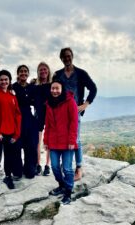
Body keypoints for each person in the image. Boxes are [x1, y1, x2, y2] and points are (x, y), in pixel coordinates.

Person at [53, 47, 97, 181]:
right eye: (64, 56)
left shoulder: (81, 73)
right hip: (60, 111)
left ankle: (78, 167)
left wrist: (85, 105)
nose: (67, 58)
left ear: (72, 56)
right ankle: (66, 165)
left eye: (68, 56)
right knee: (64, 138)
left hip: (74, 110)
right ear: (61, 58)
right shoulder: (58, 74)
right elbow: (52, 89)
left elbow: (93, 88)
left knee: (75, 139)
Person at [44, 80, 78, 205]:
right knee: (54, 167)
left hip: (67, 141)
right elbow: (47, 124)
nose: (54, 91)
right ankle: (62, 185)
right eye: (53, 88)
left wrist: (72, 140)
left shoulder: (70, 101)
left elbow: (74, 123)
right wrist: (46, 140)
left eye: (57, 88)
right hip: (53, 141)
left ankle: (68, 192)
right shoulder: (48, 103)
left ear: (62, 89)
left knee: (68, 169)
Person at [0, 70, 22, 190]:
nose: (4, 81)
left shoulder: (11, 95)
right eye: (1, 79)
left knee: (10, 156)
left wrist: (16, 134)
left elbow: (17, 114)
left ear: (9, 81)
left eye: (6, 79)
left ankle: (8, 176)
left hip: (11, 132)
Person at [12, 65, 39, 179]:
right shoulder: (13, 87)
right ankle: (17, 169)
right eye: (21, 71)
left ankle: (30, 167)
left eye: (25, 71)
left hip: (28, 118)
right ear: (18, 74)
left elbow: (38, 100)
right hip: (16, 119)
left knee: (31, 146)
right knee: (17, 146)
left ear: (28, 73)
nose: (23, 73)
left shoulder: (32, 87)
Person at [34, 62, 52, 176]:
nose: (43, 71)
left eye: (45, 69)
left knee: (49, 140)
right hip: (38, 114)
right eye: (41, 70)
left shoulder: (52, 85)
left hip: (50, 114)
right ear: (38, 72)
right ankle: (38, 164)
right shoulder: (35, 86)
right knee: (38, 141)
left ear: (48, 71)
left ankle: (47, 165)